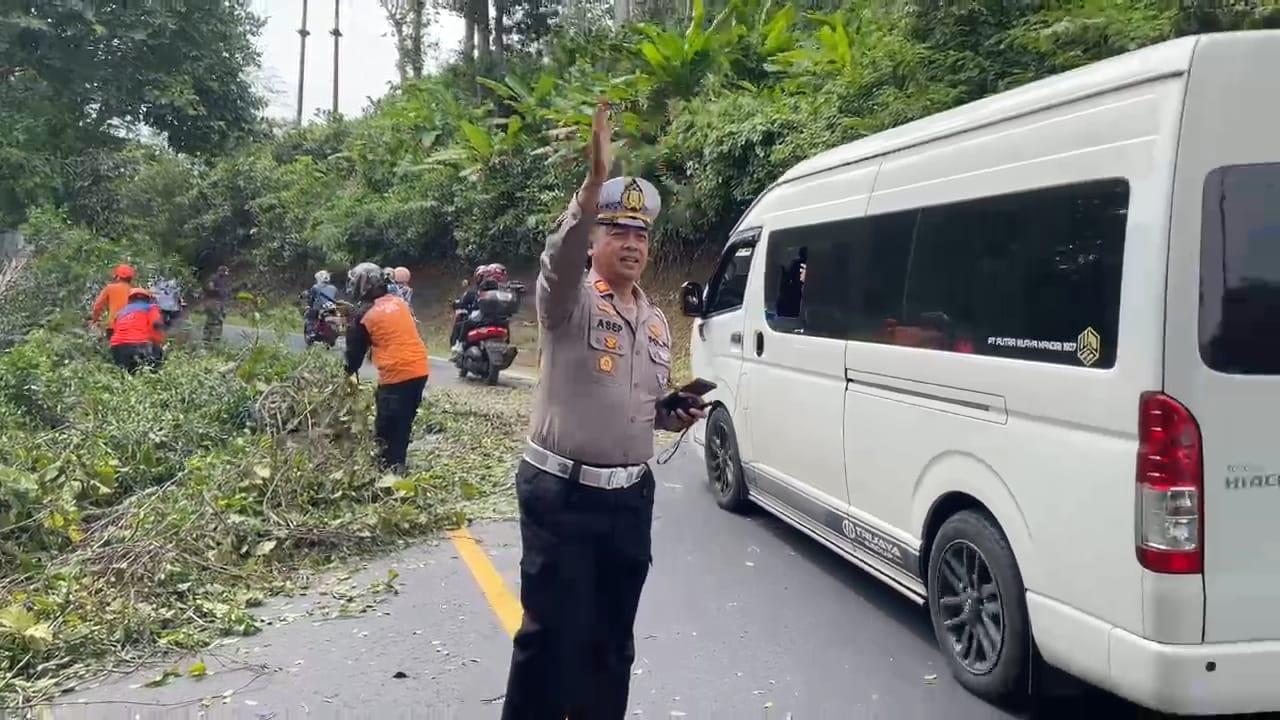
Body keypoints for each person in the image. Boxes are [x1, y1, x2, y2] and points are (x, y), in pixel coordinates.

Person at [500, 100, 704, 720]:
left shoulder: (656, 320)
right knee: (548, 638)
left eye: (641, 234)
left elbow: (641, 406)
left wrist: (672, 413)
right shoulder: (568, 302)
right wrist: (591, 188)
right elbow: (554, 261)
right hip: (561, 496)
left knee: (612, 644)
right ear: (593, 240)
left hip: (627, 499)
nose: (632, 244)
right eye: (618, 231)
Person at [344, 262, 430, 473]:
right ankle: (397, 464)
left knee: (385, 427)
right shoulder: (399, 302)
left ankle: (389, 470)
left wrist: (346, 376)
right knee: (403, 423)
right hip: (419, 370)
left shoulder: (364, 314)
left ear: (362, 286)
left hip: (397, 375)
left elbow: (354, 355)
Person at [109, 288, 165, 373]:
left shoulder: (120, 313)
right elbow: (156, 324)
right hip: (139, 344)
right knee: (152, 368)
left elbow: (112, 330)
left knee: (125, 374)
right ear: (147, 299)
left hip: (117, 347)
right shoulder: (151, 308)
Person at [89, 264, 136, 339]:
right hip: (131, 328)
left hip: (114, 327)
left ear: (117, 276)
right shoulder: (134, 291)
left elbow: (98, 306)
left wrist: (95, 319)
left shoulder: (110, 288)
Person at [304, 270, 339, 337]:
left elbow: (312, 298)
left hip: (320, 307)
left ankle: (311, 330)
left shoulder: (315, 287)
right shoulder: (334, 288)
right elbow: (336, 298)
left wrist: (309, 305)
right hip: (332, 307)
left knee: (311, 313)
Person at [202, 265, 230, 343]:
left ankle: (208, 339)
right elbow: (210, 288)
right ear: (221, 272)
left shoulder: (222, 280)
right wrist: (217, 291)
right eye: (224, 272)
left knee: (214, 321)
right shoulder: (214, 278)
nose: (225, 275)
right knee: (215, 321)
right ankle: (213, 339)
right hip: (213, 302)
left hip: (218, 303)